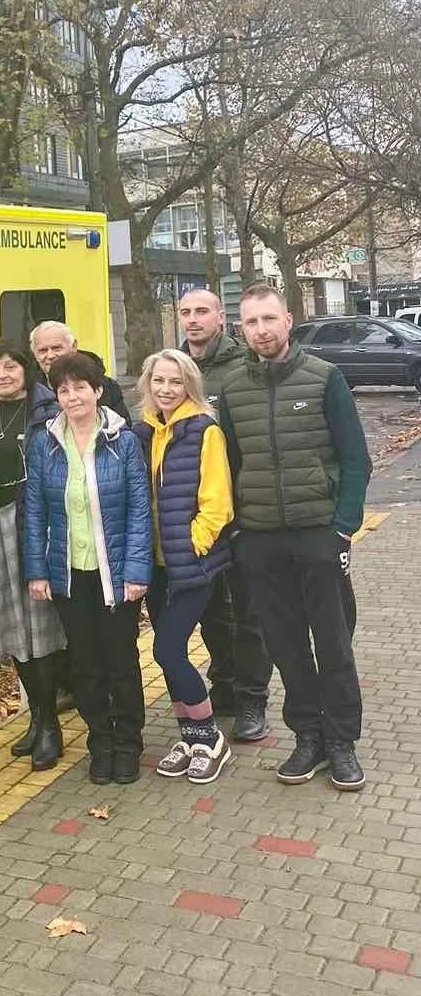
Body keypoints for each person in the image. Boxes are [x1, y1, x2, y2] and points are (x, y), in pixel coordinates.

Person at [217, 284, 372, 791]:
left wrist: (343, 527)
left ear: (288, 320)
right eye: (251, 323)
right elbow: (230, 463)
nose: (260, 330)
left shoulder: (326, 378)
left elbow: (356, 460)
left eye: (269, 319)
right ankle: (308, 738)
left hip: (318, 535)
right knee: (286, 646)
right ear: (241, 328)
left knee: (332, 643)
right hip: (260, 540)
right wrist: (239, 530)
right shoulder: (235, 389)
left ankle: (341, 742)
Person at [24, 351, 152, 784]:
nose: (72, 395)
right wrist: (37, 571)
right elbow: (35, 510)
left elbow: (139, 509)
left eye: (81, 386)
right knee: (84, 663)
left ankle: (128, 742)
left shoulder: (124, 441)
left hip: (115, 574)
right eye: (63, 389)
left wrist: (137, 571)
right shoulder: (45, 442)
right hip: (68, 572)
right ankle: (100, 741)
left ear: (98, 391)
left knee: (120, 659)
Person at [133, 350, 235, 785]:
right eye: (159, 381)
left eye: (175, 381)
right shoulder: (143, 430)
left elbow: (219, 501)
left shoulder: (204, 429)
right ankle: (190, 737)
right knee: (170, 653)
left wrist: (194, 543)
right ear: (148, 384)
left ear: (189, 384)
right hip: (155, 566)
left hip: (192, 563)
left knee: (167, 650)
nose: (166, 389)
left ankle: (211, 739)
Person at [178, 286, 273, 740]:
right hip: (195, 515)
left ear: (221, 317)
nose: (193, 320)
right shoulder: (172, 368)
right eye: (185, 312)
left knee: (250, 609)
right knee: (212, 610)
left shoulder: (244, 364)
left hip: (244, 511)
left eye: (202, 311)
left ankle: (254, 698)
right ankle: (226, 687)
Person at [0, 341, 65, 771]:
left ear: (26, 370)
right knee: (16, 631)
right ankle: (38, 718)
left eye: (11, 366)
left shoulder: (48, 409)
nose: (3, 374)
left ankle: (51, 728)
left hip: (34, 526)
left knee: (41, 632)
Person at [29, 321, 131, 429]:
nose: (50, 355)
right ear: (34, 354)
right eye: (43, 350)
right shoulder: (30, 390)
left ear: (73, 347)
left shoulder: (107, 386)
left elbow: (123, 431)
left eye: (57, 348)